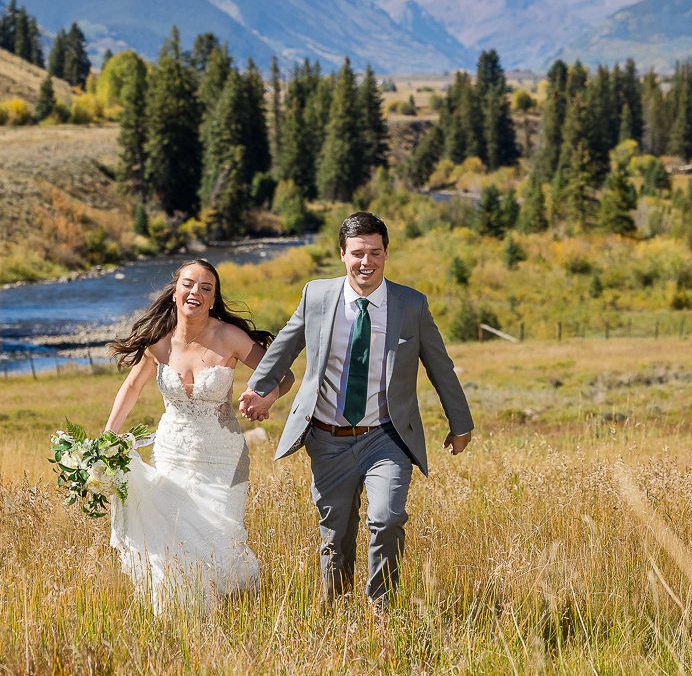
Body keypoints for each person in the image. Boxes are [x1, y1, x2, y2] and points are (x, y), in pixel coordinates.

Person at [239, 212, 473, 610]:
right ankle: (339, 611)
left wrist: (460, 422)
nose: (367, 262)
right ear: (343, 254)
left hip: (387, 436)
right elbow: (285, 345)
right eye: (358, 253)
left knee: (387, 518)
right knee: (336, 535)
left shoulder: (410, 304)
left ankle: (380, 609)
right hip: (328, 439)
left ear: (386, 253)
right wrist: (259, 388)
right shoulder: (317, 296)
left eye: (376, 253)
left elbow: (439, 364)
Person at [104, 259, 294, 614]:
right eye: (189, 284)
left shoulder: (229, 337)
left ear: (213, 298)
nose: (196, 292)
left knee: (219, 537)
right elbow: (131, 387)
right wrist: (107, 437)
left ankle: (229, 608)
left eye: (206, 288)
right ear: (175, 291)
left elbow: (282, 375)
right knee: (173, 537)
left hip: (223, 457)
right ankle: (180, 615)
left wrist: (266, 397)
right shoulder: (158, 342)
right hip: (172, 452)